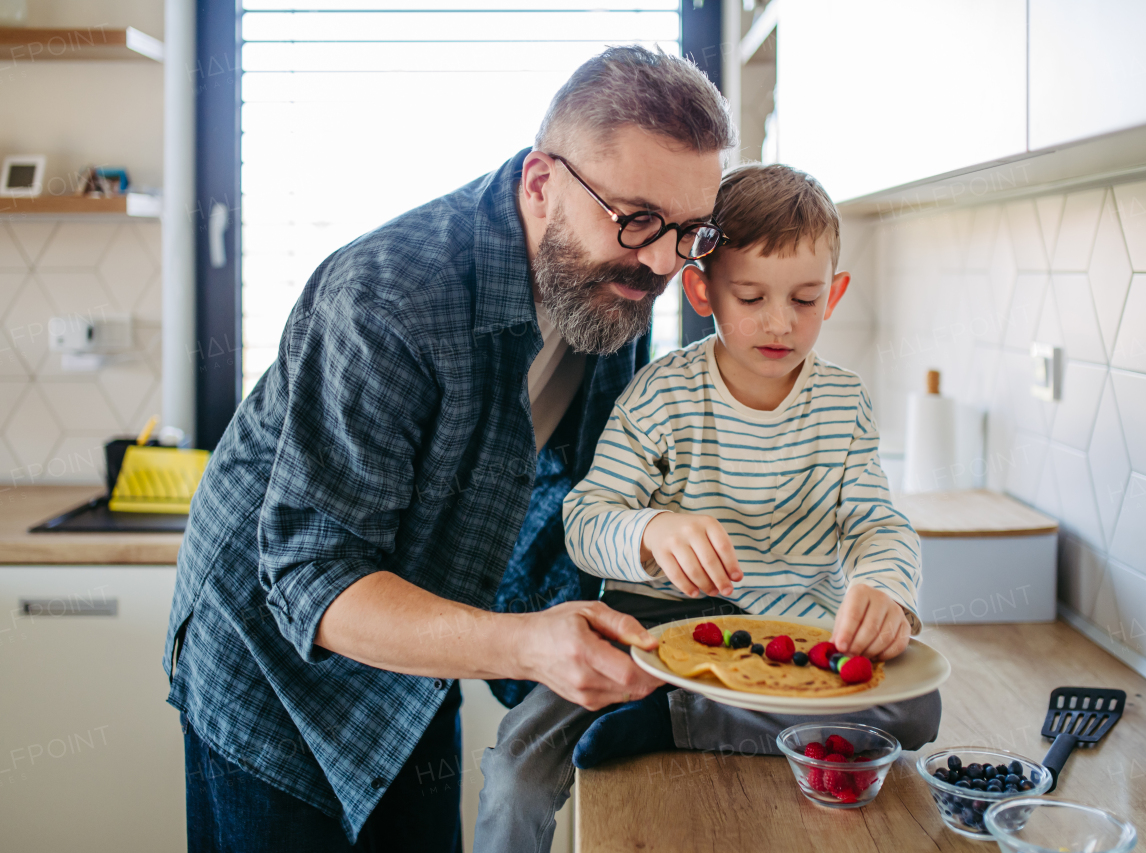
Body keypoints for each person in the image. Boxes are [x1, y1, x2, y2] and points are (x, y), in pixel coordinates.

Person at [165, 46, 739, 851]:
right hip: (269, 671)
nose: (660, 262)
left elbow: (576, 495)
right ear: (542, 183)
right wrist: (527, 644)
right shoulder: (390, 298)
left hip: (417, 645)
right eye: (637, 219)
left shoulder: (614, 296)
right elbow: (310, 576)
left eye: (689, 232)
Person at [475, 164, 941, 853]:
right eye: (750, 296)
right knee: (518, 758)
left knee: (917, 708)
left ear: (834, 295)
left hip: (788, 633)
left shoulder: (844, 404)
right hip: (653, 631)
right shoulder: (660, 394)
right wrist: (651, 530)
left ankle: (673, 719)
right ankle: (678, 704)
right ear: (702, 289)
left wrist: (884, 588)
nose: (779, 322)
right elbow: (585, 520)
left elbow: (877, 524)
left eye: (805, 299)